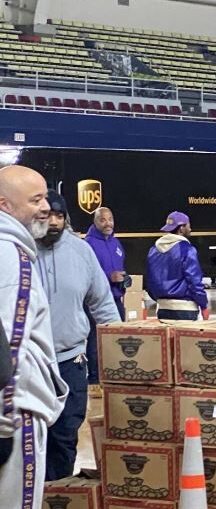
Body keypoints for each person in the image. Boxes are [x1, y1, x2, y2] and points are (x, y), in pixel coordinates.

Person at [0, 166, 67, 509]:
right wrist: (4, 414)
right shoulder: (12, 254)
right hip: (14, 412)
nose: (45, 208)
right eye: (35, 200)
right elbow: (12, 340)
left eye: (46, 198)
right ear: (6, 206)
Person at [35, 192, 119, 480]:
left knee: (64, 436)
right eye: (47, 215)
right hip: (27, 365)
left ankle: (57, 504)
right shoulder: (15, 249)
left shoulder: (81, 252)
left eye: (59, 216)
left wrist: (119, 349)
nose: (54, 222)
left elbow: (103, 304)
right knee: (26, 440)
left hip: (70, 361)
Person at [146, 211, 208, 321]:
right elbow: (194, 281)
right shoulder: (187, 250)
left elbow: (150, 282)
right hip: (185, 309)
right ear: (181, 228)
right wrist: (203, 305)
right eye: (188, 225)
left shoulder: (153, 250)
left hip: (162, 309)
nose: (190, 229)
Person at [84, 207, 127, 319]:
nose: (108, 223)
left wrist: (125, 280)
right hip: (96, 304)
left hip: (116, 301)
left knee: (120, 336)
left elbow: (120, 269)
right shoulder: (87, 244)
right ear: (95, 222)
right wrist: (109, 277)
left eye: (110, 219)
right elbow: (84, 276)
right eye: (103, 220)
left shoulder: (116, 243)